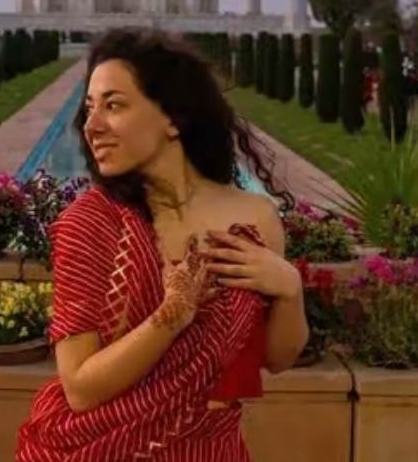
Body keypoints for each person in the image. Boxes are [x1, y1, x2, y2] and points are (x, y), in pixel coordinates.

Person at [17, 30, 308, 460]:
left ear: (174, 117)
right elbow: (79, 388)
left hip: (214, 448)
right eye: (89, 108)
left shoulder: (254, 217)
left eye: (114, 105)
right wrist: (172, 314)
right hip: (106, 450)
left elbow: (275, 359)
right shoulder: (91, 223)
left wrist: (290, 289)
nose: (92, 127)